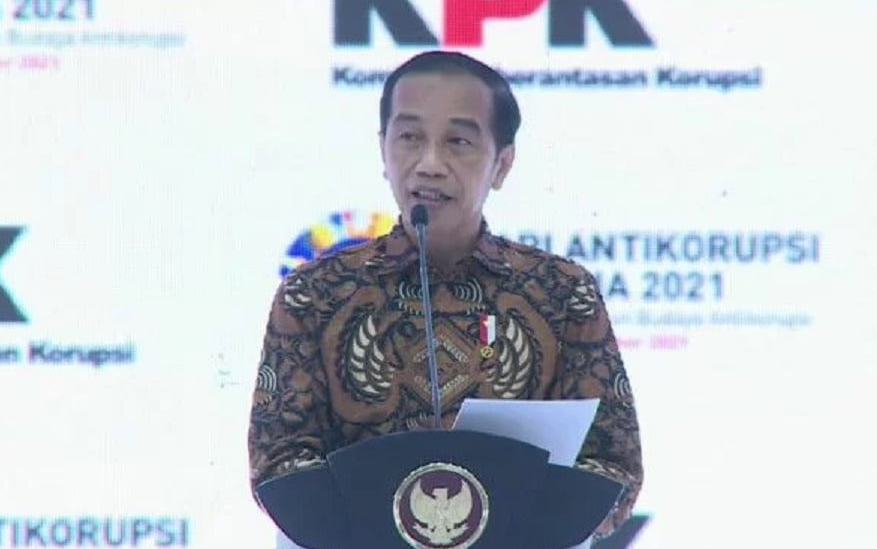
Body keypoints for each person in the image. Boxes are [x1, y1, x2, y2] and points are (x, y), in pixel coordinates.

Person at [248, 50, 643, 544]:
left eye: (458, 142)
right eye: (410, 138)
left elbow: (612, 466)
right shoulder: (315, 294)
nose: (430, 164)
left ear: (502, 164)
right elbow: (279, 463)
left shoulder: (561, 292)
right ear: (383, 150)